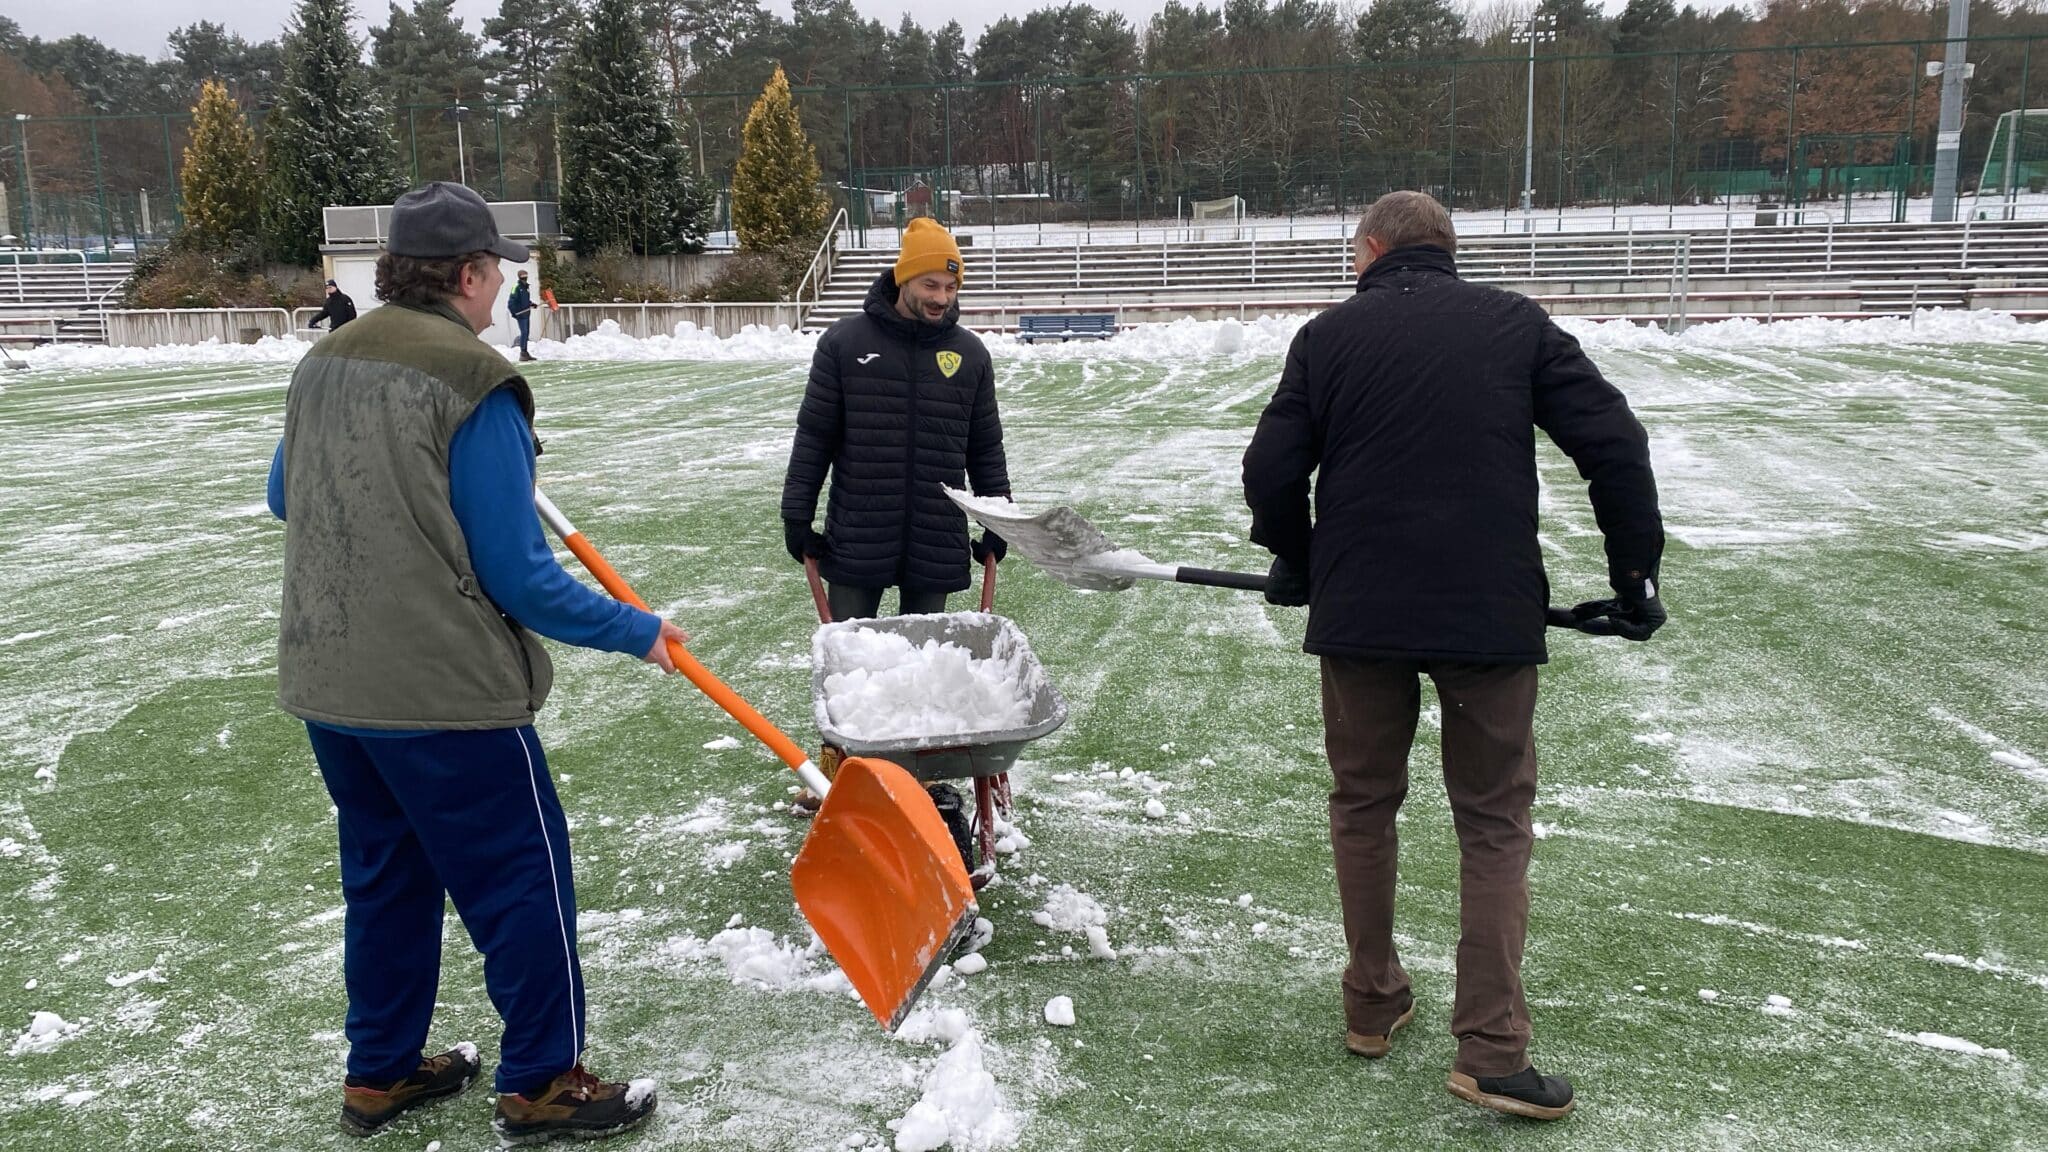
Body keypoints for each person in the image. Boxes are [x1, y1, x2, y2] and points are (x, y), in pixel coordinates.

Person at [267, 181, 683, 1145]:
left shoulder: (323, 361)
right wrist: (639, 629)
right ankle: (542, 1080)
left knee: (386, 877)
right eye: (497, 271)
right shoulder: (477, 382)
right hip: (445, 697)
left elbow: (289, 495)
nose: (501, 290)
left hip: (332, 686)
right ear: (466, 274)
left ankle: (379, 1070)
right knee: (522, 882)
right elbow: (522, 579)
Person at [1242, 190, 1665, 1122]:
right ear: (1447, 250)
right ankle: (1491, 1048)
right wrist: (1634, 574)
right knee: (1493, 822)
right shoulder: (1515, 325)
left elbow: (1271, 471)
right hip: (1487, 617)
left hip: (1362, 616)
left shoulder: (1328, 337)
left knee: (1362, 805)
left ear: (1375, 248)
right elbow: (1613, 443)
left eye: (1355, 253)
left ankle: (1371, 1003)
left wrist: (1298, 560)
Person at [781, 215, 1010, 623]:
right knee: (850, 666)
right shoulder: (844, 344)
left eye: (952, 287)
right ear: (903, 279)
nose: (943, 298)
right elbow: (815, 438)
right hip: (858, 534)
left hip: (935, 536)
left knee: (921, 669)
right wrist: (797, 516)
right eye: (931, 284)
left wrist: (999, 519)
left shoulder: (971, 355)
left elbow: (984, 447)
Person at [508, 269, 537, 362]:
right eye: (523, 276)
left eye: (526, 275)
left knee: (526, 332)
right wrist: (514, 312)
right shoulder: (516, 287)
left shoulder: (526, 287)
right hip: (520, 314)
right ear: (519, 276)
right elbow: (511, 302)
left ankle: (525, 352)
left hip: (527, 313)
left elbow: (525, 300)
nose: (525, 277)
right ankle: (522, 353)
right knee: (524, 332)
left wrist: (531, 304)